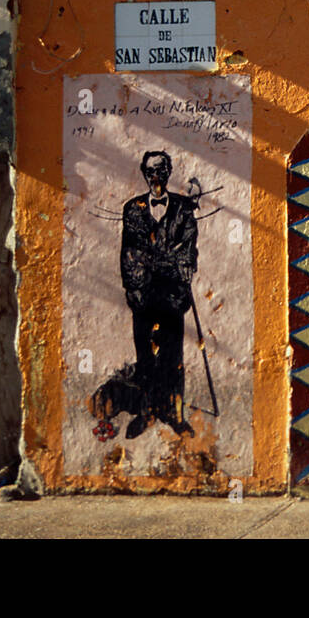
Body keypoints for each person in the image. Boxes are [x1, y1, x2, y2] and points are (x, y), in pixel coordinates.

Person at [119, 150, 198, 439]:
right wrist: (136, 287)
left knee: (173, 357)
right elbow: (131, 253)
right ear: (143, 172)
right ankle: (146, 413)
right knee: (145, 357)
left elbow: (189, 247)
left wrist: (186, 263)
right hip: (144, 295)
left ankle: (175, 415)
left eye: (161, 169)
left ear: (169, 172)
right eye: (150, 170)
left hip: (173, 296)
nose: (156, 175)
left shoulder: (183, 209)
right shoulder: (133, 209)